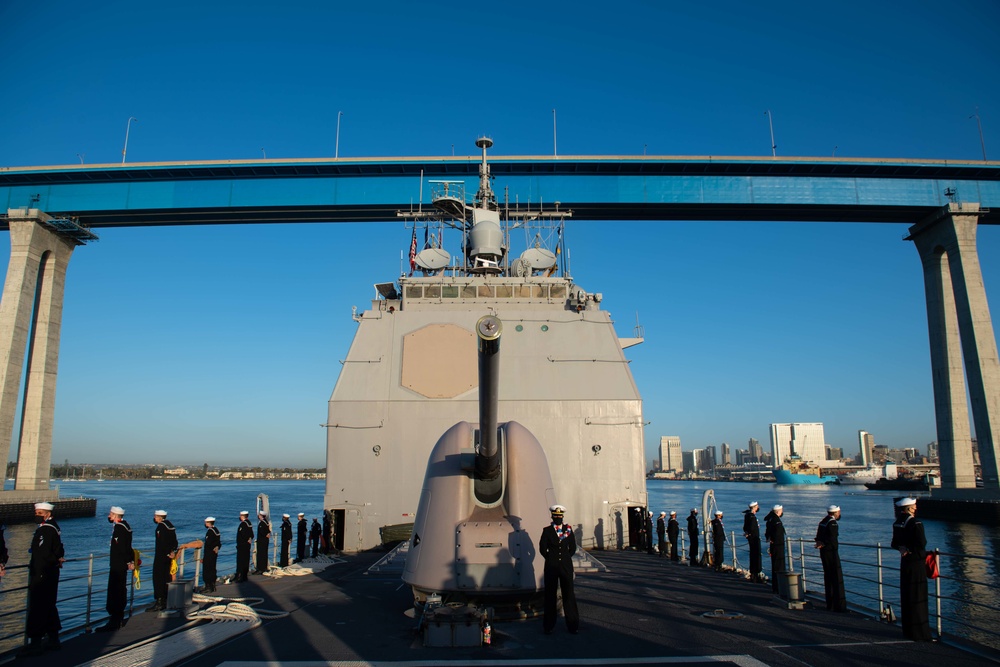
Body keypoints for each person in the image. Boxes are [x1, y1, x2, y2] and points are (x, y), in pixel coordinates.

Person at [23, 502, 64, 655]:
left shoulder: (46, 530)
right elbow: (58, 549)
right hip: (50, 572)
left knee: (38, 607)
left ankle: (35, 641)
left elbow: (43, 553)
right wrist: (58, 559)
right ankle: (53, 638)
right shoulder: (54, 527)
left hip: (42, 572)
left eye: (39, 512)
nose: (36, 515)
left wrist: (39, 569)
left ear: (47, 513)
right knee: (49, 606)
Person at [891, 497, 933, 641]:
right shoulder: (915, 523)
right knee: (918, 596)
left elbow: (894, 543)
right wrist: (910, 549)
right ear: (909, 508)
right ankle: (921, 633)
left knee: (907, 595)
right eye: (914, 507)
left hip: (905, 563)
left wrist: (903, 548)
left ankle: (908, 630)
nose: (916, 509)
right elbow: (921, 543)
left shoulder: (897, 523)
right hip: (916, 563)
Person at [539, 504, 579, 635]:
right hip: (551, 566)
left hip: (565, 566)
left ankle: (572, 625)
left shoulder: (568, 530)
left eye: (559, 517)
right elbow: (542, 548)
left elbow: (572, 548)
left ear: (562, 517)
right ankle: (549, 626)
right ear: (552, 516)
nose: (558, 519)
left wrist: (565, 559)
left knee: (569, 594)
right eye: (556, 517)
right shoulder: (547, 531)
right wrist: (551, 558)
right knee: (550, 596)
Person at [97, 506, 133, 632]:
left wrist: (128, 560)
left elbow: (122, 547)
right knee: (120, 589)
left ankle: (115, 620)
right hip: (121, 564)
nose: (109, 516)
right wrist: (130, 560)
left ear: (115, 516)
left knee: (115, 590)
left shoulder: (119, 529)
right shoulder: (126, 526)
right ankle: (118, 618)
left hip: (118, 564)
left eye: (111, 514)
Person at [815, 504, 846, 612]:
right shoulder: (832, 523)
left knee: (827, 577)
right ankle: (839, 606)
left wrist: (819, 542)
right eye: (839, 512)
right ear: (836, 513)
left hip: (823, 553)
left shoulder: (823, 521)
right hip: (831, 553)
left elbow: (818, 536)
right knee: (836, 578)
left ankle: (830, 603)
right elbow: (832, 539)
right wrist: (825, 543)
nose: (839, 514)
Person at [147, 510, 177, 612]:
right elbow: (174, 541)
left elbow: (162, 542)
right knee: (166, 577)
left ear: (160, 517)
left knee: (158, 578)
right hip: (168, 557)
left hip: (161, 556)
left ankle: (160, 601)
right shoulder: (170, 526)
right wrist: (172, 551)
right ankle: (165, 599)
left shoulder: (161, 527)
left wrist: (166, 552)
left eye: (156, 516)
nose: (154, 518)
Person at [764, 504, 786, 594]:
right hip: (778, 546)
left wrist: (769, 539)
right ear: (778, 511)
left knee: (775, 566)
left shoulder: (770, 519)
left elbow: (767, 532)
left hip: (774, 546)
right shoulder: (777, 521)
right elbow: (778, 535)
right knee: (779, 567)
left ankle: (775, 586)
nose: (782, 512)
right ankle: (779, 587)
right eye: (781, 510)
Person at [743, 501, 762, 582]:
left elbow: (745, 527)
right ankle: (755, 575)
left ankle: (753, 574)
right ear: (755, 507)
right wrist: (750, 533)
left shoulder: (748, 515)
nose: (758, 507)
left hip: (752, 538)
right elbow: (752, 527)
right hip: (754, 538)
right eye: (757, 506)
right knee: (756, 556)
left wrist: (747, 533)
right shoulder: (752, 517)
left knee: (753, 555)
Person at [202, 517, 221, 593]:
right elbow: (218, 542)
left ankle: (208, 586)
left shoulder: (210, 532)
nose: (205, 524)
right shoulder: (216, 530)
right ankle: (213, 585)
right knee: (213, 568)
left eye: (206, 522)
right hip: (214, 554)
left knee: (207, 569)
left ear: (208, 523)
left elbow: (209, 543)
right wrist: (217, 547)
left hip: (209, 553)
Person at [235, 511, 253, 582]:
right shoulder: (249, 523)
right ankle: (244, 575)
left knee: (241, 560)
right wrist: (250, 538)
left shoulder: (244, 524)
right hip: (246, 545)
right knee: (246, 560)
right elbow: (251, 534)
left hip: (242, 545)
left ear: (243, 516)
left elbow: (243, 534)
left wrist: (246, 539)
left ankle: (241, 576)